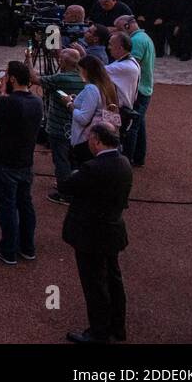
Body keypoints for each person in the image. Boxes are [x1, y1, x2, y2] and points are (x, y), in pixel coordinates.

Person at [58, 122, 132, 344]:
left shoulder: (93, 168)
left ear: (98, 141)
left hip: (91, 234)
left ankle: (99, 333)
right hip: (112, 230)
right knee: (113, 280)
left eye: (91, 137)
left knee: (95, 285)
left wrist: (76, 166)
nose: (88, 140)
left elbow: (66, 185)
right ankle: (117, 327)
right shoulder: (124, 162)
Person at [0, 61, 43, 266]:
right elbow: (12, 112)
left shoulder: (9, 102)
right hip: (25, 163)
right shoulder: (36, 101)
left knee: (7, 208)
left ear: (13, 78)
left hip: (4, 163)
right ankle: (27, 247)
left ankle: (8, 250)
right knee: (25, 205)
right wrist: (0, 94)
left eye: (7, 76)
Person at [38, 49, 85, 201]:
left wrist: (28, 56)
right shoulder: (84, 76)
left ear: (64, 62)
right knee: (73, 159)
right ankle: (75, 186)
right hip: (77, 127)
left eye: (60, 59)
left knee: (61, 160)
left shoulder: (60, 78)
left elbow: (33, 78)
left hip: (59, 127)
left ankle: (65, 193)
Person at [115, 14, 153, 167]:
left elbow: (131, 68)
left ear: (127, 26)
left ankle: (126, 161)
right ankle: (138, 157)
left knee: (131, 127)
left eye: (119, 30)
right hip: (145, 87)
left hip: (139, 89)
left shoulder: (136, 41)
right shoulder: (144, 37)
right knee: (139, 124)